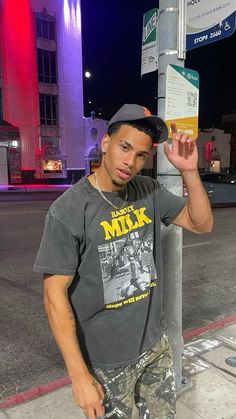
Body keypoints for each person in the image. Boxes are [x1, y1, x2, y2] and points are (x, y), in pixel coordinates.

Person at [34, 104, 213, 419]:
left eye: (141, 155)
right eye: (124, 147)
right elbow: (53, 296)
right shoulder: (69, 210)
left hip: (154, 347)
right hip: (107, 362)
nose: (130, 162)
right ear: (106, 144)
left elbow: (201, 224)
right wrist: (79, 376)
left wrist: (188, 171)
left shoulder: (147, 190)